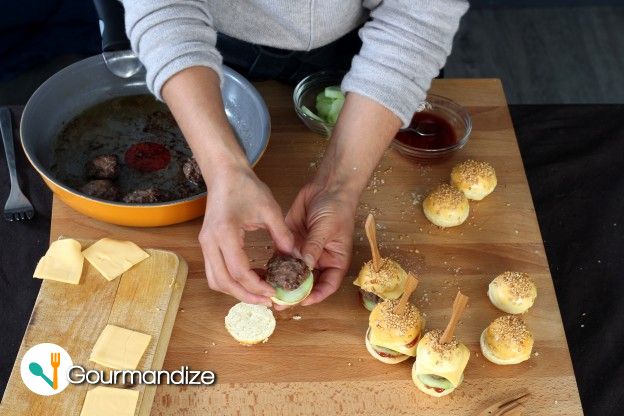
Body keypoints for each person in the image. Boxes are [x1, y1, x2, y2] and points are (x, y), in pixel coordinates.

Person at [121, 0, 469, 308]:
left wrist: (338, 187)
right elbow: (162, 7)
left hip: (369, 52)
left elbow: (419, 13)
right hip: (204, 52)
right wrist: (224, 169)